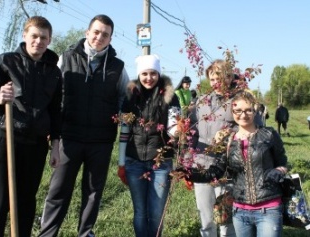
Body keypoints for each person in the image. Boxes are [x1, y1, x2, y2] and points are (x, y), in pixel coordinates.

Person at [39, 14, 130, 237]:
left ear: (110, 38)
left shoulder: (118, 67)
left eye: (105, 34)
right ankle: (47, 233)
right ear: (87, 32)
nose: (100, 37)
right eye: (96, 32)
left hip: (101, 141)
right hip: (69, 137)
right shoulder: (66, 58)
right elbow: (52, 94)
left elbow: (125, 101)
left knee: (93, 192)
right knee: (58, 190)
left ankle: (85, 232)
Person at [0, 16, 62, 237]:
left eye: (44, 37)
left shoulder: (54, 71)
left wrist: (55, 146)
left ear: (49, 39)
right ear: (25, 36)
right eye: (34, 36)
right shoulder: (6, 61)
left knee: (25, 202)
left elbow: (54, 112)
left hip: (36, 145)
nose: (38, 41)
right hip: (7, 139)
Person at [180, 91, 288, 237]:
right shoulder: (228, 141)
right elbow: (216, 171)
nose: (243, 115)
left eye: (248, 110)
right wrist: (189, 174)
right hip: (240, 212)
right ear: (232, 112)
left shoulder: (269, 134)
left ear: (255, 110)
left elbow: (282, 162)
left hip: (268, 209)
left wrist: (279, 171)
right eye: (237, 111)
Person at [117, 54, 181, 237]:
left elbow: (173, 125)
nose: (149, 78)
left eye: (153, 73)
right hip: (134, 162)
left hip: (161, 163)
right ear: (139, 75)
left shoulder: (170, 97)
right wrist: (122, 163)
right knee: (140, 212)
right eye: (144, 73)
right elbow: (124, 132)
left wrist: (179, 131)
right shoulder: (130, 97)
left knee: (155, 213)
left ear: (158, 74)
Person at [188, 59, 236, 237]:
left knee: (225, 217)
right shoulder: (201, 102)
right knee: (205, 215)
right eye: (213, 79)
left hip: (226, 167)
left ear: (229, 78)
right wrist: (188, 162)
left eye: (220, 78)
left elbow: (250, 128)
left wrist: (229, 132)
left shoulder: (236, 101)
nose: (216, 83)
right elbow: (190, 133)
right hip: (201, 164)